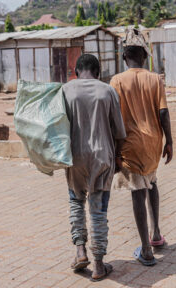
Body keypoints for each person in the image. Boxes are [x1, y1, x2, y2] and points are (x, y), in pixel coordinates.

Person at [110, 29, 173, 266]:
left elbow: (113, 118)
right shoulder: (156, 79)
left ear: (124, 57)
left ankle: (146, 249)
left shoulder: (116, 81)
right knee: (152, 181)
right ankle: (156, 234)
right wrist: (170, 142)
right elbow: (163, 112)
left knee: (138, 190)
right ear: (144, 57)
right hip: (153, 144)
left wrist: (115, 151)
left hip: (130, 145)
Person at [63, 54, 126, 281]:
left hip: (74, 156)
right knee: (98, 209)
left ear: (77, 71)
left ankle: (80, 251)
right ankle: (99, 264)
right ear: (98, 72)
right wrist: (118, 158)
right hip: (102, 156)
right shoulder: (107, 91)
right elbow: (119, 131)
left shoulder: (66, 90)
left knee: (76, 201)